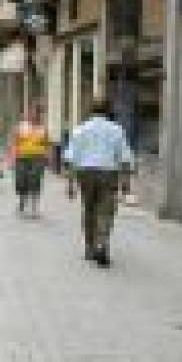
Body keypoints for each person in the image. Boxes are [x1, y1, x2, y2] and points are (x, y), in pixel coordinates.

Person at [64, 98, 134, 268]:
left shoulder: (80, 130)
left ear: (91, 111)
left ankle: (89, 247)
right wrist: (126, 182)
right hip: (108, 173)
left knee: (89, 209)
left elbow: (71, 158)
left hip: (85, 173)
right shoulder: (117, 130)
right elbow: (124, 157)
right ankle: (102, 243)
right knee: (106, 210)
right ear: (107, 111)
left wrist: (70, 183)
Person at [13, 104, 50, 217]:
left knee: (35, 180)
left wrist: (47, 157)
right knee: (21, 181)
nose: (35, 115)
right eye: (33, 112)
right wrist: (13, 157)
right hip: (22, 157)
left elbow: (46, 143)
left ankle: (34, 206)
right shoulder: (21, 126)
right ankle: (22, 201)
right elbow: (16, 142)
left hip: (38, 158)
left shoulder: (43, 128)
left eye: (37, 113)